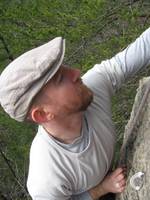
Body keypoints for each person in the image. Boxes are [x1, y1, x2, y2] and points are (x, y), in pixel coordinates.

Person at [0, 27, 150, 200]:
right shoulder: (46, 175)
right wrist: (102, 188)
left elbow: (135, 53)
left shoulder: (92, 86)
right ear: (42, 114)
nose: (76, 73)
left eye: (65, 68)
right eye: (60, 79)